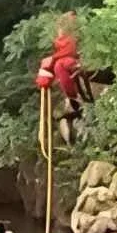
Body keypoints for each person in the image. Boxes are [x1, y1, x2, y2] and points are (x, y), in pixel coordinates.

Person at [35, 11, 82, 142]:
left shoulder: (72, 37)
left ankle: (72, 96)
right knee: (57, 66)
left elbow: (70, 51)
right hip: (65, 64)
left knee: (60, 65)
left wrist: (53, 59)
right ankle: (71, 97)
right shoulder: (60, 41)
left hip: (75, 61)